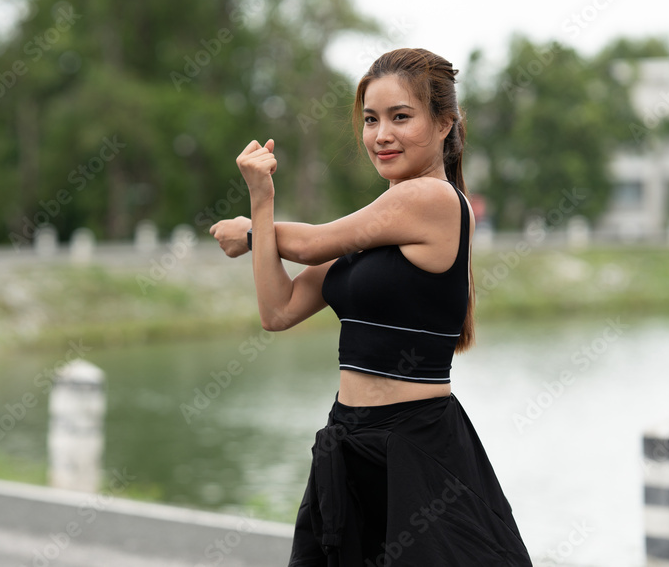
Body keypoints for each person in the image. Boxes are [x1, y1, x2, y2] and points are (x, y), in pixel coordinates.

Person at [209, 48, 531, 566]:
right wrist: (262, 201)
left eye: (401, 117)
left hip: (415, 445)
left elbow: (312, 244)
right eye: (370, 119)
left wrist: (249, 232)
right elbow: (279, 309)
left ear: (445, 123)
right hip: (347, 441)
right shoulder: (370, 230)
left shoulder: (434, 200)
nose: (382, 134)